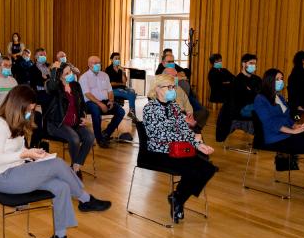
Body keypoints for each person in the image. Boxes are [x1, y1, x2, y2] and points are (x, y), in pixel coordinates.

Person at [0, 85, 111, 238]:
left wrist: (33, 155)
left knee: (62, 186)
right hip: (2, 178)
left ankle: (59, 237)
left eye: (32, 109)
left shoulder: (16, 123)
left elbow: (19, 154)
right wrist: (26, 154)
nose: (31, 112)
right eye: (29, 109)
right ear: (17, 106)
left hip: (18, 172)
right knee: (58, 164)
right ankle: (85, 199)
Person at [142, 74, 217, 223]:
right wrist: (190, 141)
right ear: (157, 89)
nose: (172, 90)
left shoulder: (175, 106)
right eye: (168, 87)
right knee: (192, 170)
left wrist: (198, 145)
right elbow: (158, 135)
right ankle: (178, 200)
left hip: (178, 149)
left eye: (173, 87)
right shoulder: (149, 108)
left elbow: (184, 130)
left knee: (208, 168)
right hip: (158, 152)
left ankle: (177, 198)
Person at [253, 68, 304, 201]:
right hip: (273, 137)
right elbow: (270, 123)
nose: (281, 82)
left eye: (282, 79)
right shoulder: (260, 99)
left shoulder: (279, 97)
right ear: (269, 81)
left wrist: (297, 125)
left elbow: (287, 118)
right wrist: (293, 131)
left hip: (286, 133)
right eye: (277, 79)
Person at [45, 62, 95, 179]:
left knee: (90, 137)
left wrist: (84, 115)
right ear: (60, 75)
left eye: (70, 72)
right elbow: (51, 85)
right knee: (74, 138)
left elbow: (82, 104)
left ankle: (75, 166)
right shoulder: (53, 86)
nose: (70, 74)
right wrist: (54, 71)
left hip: (74, 123)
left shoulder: (75, 85)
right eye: (66, 73)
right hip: (57, 123)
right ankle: (75, 170)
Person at [79, 56, 125, 148]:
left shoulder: (105, 75)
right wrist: (99, 104)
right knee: (96, 111)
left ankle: (107, 133)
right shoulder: (84, 77)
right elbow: (87, 94)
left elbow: (110, 91)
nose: (97, 65)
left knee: (121, 111)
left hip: (105, 101)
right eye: (94, 63)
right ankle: (99, 139)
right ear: (89, 65)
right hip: (90, 103)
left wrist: (111, 101)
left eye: (99, 63)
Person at [105, 52, 137, 119]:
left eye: (119, 58)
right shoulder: (108, 70)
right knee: (130, 94)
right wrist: (121, 84)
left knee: (132, 91)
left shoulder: (121, 69)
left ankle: (131, 112)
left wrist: (123, 72)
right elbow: (111, 83)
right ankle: (132, 113)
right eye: (116, 58)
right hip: (112, 89)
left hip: (123, 88)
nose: (117, 60)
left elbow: (124, 81)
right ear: (111, 60)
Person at [230, 53, 261, 120]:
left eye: (255, 64)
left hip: (256, 105)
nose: (253, 66)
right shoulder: (237, 80)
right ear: (243, 64)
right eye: (251, 63)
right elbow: (243, 99)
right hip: (243, 108)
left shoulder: (258, 79)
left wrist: (252, 92)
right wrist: (254, 93)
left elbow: (261, 94)